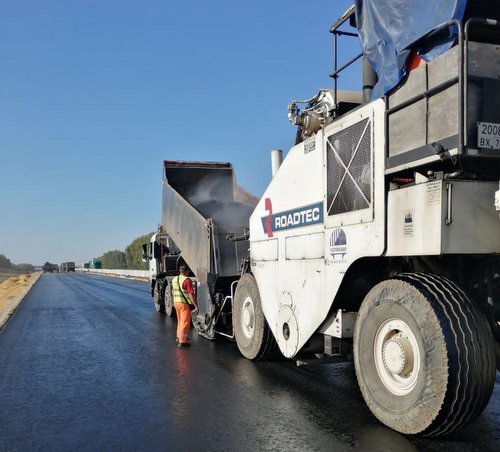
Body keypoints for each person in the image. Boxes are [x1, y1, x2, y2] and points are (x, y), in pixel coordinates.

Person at [172, 265, 199, 348]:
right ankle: (183, 341)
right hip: (184, 304)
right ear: (186, 271)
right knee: (185, 322)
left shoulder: (174, 279)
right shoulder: (187, 280)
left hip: (176, 303)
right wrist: (196, 306)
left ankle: (178, 337)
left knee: (180, 321)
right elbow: (191, 294)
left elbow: (173, 292)